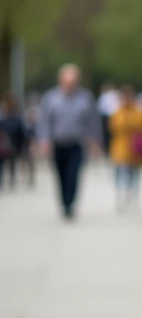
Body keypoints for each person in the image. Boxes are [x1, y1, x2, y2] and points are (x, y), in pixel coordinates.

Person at [37, 64, 102, 220]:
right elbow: (44, 121)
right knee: (61, 176)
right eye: (67, 82)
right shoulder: (51, 98)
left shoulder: (85, 98)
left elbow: (93, 121)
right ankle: (64, 203)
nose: (70, 85)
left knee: (73, 175)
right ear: (61, 81)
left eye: (73, 82)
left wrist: (95, 141)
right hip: (58, 144)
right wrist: (44, 141)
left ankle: (70, 204)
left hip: (76, 144)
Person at [108, 85, 142, 211]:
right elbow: (114, 126)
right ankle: (122, 196)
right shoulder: (117, 111)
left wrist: (130, 122)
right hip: (120, 147)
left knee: (134, 174)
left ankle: (133, 197)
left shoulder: (139, 111)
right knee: (121, 173)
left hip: (135, 148)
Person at [0, 93, 29, 190]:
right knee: (7, 163)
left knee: (9, 163)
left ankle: (9, 180)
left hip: (12, 142)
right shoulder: (6, 116)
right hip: (8, 142)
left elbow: (21, 131)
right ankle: (8, 180)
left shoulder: (15, 117)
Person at [96, 82, 121, 160]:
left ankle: (109, 150)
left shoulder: (105, 96)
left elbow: (101, 108)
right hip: (113, 116)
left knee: (108, 135)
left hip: (109, 116)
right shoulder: (115, 94)